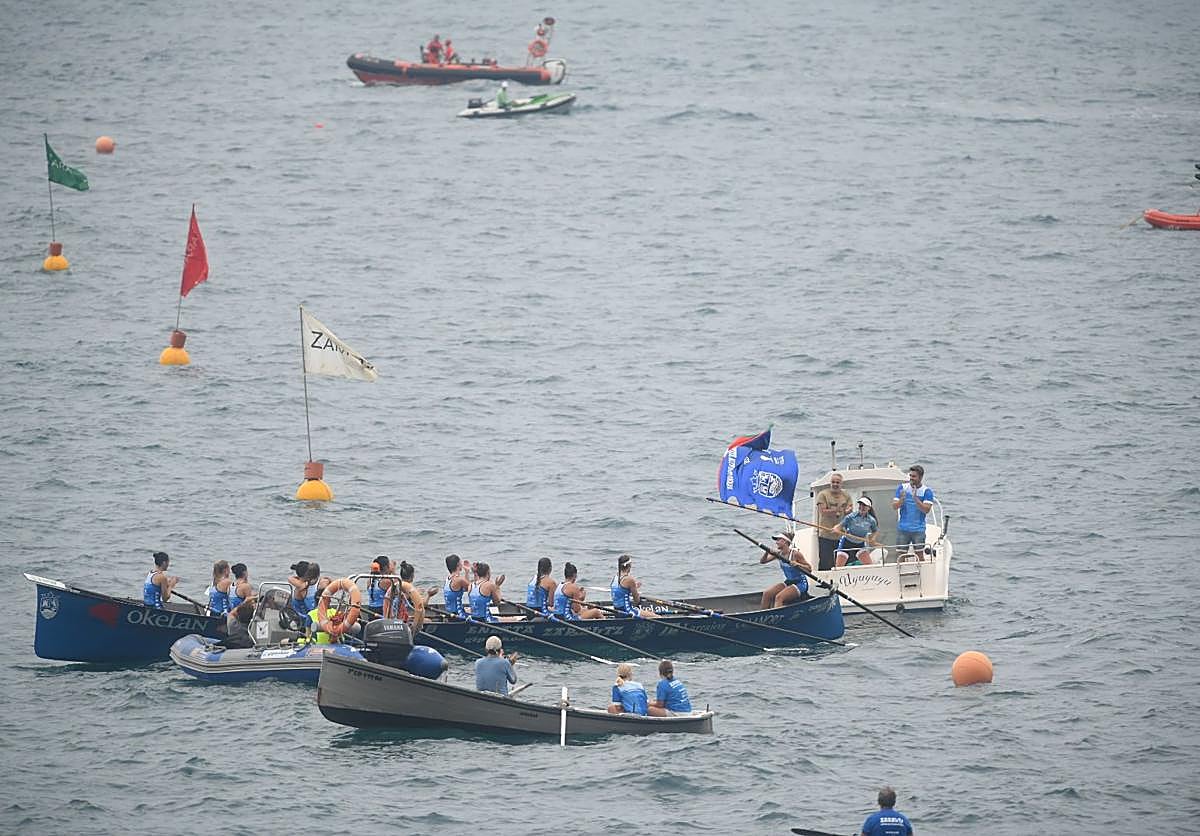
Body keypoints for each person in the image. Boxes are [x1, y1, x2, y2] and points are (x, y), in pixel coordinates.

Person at [758, 531, 812, 609]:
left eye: (778, 540)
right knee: (767, 593)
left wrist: (798, 564)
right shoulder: (778, 554)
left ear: (785, 541)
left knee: (779, 597)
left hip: (800, 583)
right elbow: (762, 561)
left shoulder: (795, 554)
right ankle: (762, 616)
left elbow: (809, 568)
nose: (776, 542)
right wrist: (767, 552)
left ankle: (777, 618)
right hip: (789, 581)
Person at [815, 472, 854, 571]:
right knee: (826, 562)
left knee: (842, 562)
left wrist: (847, 510)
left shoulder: (846, 495)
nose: (835, 484)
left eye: (838, 482)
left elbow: (849, 510)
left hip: (841, 536)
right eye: (833, 482)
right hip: (826, 535)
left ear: (841, 484)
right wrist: (838, 510)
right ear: (830, 483)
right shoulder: (823, 495)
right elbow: (822, 511)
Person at [892, 465, 935, 551]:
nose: (911, 478)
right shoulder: (902, 488)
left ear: (921, 477)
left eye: (914, 476)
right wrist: (901, 499)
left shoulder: (926, 491)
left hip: (918, 530)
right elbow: (894, 506)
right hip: (903, 529)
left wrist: (915, 498)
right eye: (910, 475)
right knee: (900, 554)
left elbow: (926, 510)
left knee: (919, 554)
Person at [834, 497, 882, 566]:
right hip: (846, 543)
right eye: (860, 505)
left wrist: (873, 539)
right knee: (838, 567)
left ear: (869, 508)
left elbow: (875, 531)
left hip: (860, 544)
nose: (862, 507)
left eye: (864, 505)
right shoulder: (850, 517)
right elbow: (839, 526)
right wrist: (836, 529)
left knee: (869, 566)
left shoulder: (871, 520)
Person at [383, 560, 426, 633]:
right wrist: (428, 595)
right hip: (400, 620)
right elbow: (422, 605)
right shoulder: (408, 589)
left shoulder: (396, 585)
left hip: (396, 617)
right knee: (428, 621)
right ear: (412, 575)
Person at [288, 561, 321, 628]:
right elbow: (311, 608)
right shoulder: (302, 588)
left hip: (299, 613)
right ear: (307, 575)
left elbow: (290, 578)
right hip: (303, 618)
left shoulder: (300, 582)